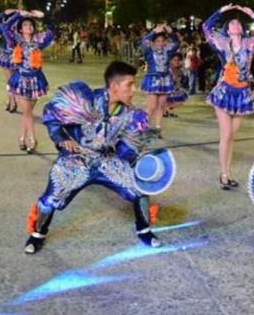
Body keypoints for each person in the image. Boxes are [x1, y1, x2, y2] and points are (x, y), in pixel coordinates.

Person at [24, 61, 162, 254]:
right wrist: (61, 138)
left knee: (139, 188)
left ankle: (144, 230)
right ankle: (38, 233)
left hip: (107, 161)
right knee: (50, 200)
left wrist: (135, 154)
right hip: (76, 160)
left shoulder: (131, 115)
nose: (134, 90)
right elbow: (51, 113)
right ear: (114, 86)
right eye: (130, 85)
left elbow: (126, 150)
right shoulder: (84, 101)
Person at [203, 4, 254, 190]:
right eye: (231, 23)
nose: (235, 24)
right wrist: (221, 11)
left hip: (242, 95)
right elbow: (206, 27)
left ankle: (227, 172)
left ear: (241, 29)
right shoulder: (222, 43)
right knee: (226, 135)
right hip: (224, 92)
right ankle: (224, 175)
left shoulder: (250, 44)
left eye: (238, 23)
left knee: (231, 137)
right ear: (227, 30)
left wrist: (252, 14)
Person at [0, 9, 54, 153]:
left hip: (36, 81)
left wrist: (43, 17)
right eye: (25, 25)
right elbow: (4, 27)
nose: (28, 27)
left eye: (30, 25)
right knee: (28, 112)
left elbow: (52, 31)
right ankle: (33, 139)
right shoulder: (15, 41)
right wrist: (18, 15)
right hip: (20, 80)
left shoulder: (39, 42)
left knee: (27, 113)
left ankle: (22, 138)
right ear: (20, 29)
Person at [140, 24, 180, 135]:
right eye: (158, 41)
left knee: (161, 106)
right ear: (153, 42)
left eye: (162, 41)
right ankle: (143, 127)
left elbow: (176, 43)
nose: (160, 43)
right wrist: (154, 31)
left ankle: (158, 128)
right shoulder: (149, 51)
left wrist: (171, 32)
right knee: (151, 106)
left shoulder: (168, 51)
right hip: (153, 79)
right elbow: (144, 41)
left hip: (165, 79)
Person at [0, 10, 18, 113]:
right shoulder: (4, 28)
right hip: (9, 57)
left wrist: (9, 13)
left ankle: (12, 101)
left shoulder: (17, 29)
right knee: (10, 81)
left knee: (12, 81)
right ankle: (10, 100)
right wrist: (5, 13)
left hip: (15, 57)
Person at [165, 52, 188, 117]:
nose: (177, 62)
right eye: (175, 60)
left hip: (173, 90)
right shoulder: (167, 70)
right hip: (165, 90)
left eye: (178, 60)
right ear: (171, 61)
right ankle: (164, 110)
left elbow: (179, 82)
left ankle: (167, 110)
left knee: (183, 95)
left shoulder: (180, 71)